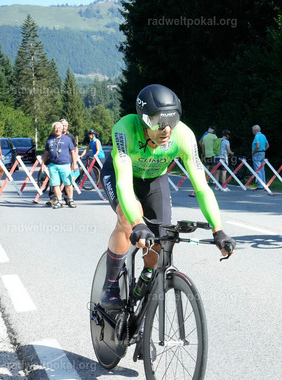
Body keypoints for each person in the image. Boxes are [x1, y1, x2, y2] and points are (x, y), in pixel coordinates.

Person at [99, 84, 236, 311]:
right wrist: (137, 223)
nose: (167, 130)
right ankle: (110, 286)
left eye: (172, 121)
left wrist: (218, 229)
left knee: (160, 239)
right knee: (126, 219)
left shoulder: (184, 135)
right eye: (159, 123)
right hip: (120, 174)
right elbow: (123, 183)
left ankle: (146, 276)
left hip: (155, 178)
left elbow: (202, 187)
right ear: (144, 120)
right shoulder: (124, 128)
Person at [40, 121, 78, 208]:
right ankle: (59, 201)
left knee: (68, 183)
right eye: (56, 128)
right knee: (55, 184)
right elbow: (46, 153)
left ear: (62, 129)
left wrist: (74, 163)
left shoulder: (67, 139)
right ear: (53, 130)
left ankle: (70, 200)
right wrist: (42, 164)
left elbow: (73, 151)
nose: (58, 130)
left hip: (65, 165)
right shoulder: (49, 140)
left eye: (59, 128)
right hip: (53, 165)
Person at [251, 124, 269, 190]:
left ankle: (260, 185)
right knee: (262, 169)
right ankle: (264, 184)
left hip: (257, 153)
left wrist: (253, 152)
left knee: (258, 169)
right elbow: (267, 145)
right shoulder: (263, 135)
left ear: (254, 131)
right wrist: (263, 150)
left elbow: (257, 146)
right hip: (262, 153)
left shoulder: (257, 136)